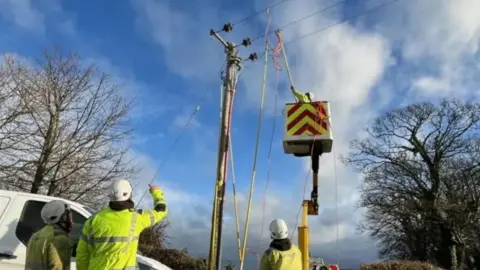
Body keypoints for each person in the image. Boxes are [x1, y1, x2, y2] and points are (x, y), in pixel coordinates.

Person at [76, 180, 168, 270]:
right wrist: (157, 192)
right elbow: (161, 211)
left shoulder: (93, 220)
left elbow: (82, 254)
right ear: (129, 195)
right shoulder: (136, 219)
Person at [25, 200, 73, 270]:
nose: (71, 220)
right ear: (62, 217)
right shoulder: (60, 238)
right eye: (68, 215)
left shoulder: (35, 236)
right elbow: (58, 267)